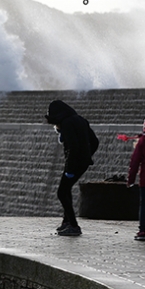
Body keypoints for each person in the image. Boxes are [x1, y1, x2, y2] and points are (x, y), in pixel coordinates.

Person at [45, 100, 99, 236]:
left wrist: (70, 169)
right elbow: (95, 142)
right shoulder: (80, 120)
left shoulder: (67, 124)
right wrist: (87, 156)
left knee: (61, 192)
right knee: (66, 189)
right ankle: (66, 222)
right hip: (82, 162)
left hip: (74, 163)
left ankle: (74, 226)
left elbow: (73, 148)